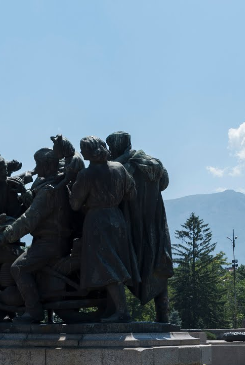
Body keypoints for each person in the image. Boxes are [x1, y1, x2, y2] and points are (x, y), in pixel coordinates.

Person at [0, 148, 72, 324]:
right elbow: (39, 208)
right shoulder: (56, 184)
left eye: (38, 164)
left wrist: (6, 235)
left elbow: (30, 218)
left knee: (18, 268)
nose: (36, 167)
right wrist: (24, 192)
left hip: (49, 243)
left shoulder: (49, 190)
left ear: (47, 165)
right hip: (54, 240)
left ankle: (34, 312)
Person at [69, 136, 138, 323]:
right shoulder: (119, 168)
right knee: (113, 263)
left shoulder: (86, 174)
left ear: (90, 151)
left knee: (108, 266)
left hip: (97, 222)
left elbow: (75, 204)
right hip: (117, 219)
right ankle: (114, 309)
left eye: (83, 149)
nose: (81, 153)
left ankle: (122, 311)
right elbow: (132, 193)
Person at [107, 131, 174, 323]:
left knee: (121, 265)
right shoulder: (155, 162)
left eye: (112, 147)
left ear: (119, 146)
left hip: (131, 224)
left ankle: (117, 311)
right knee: (158, 266)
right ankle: (163, 316)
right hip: (155, 222)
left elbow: (114, 189)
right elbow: (165, 183)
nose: (110, 151)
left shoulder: (122, 166)